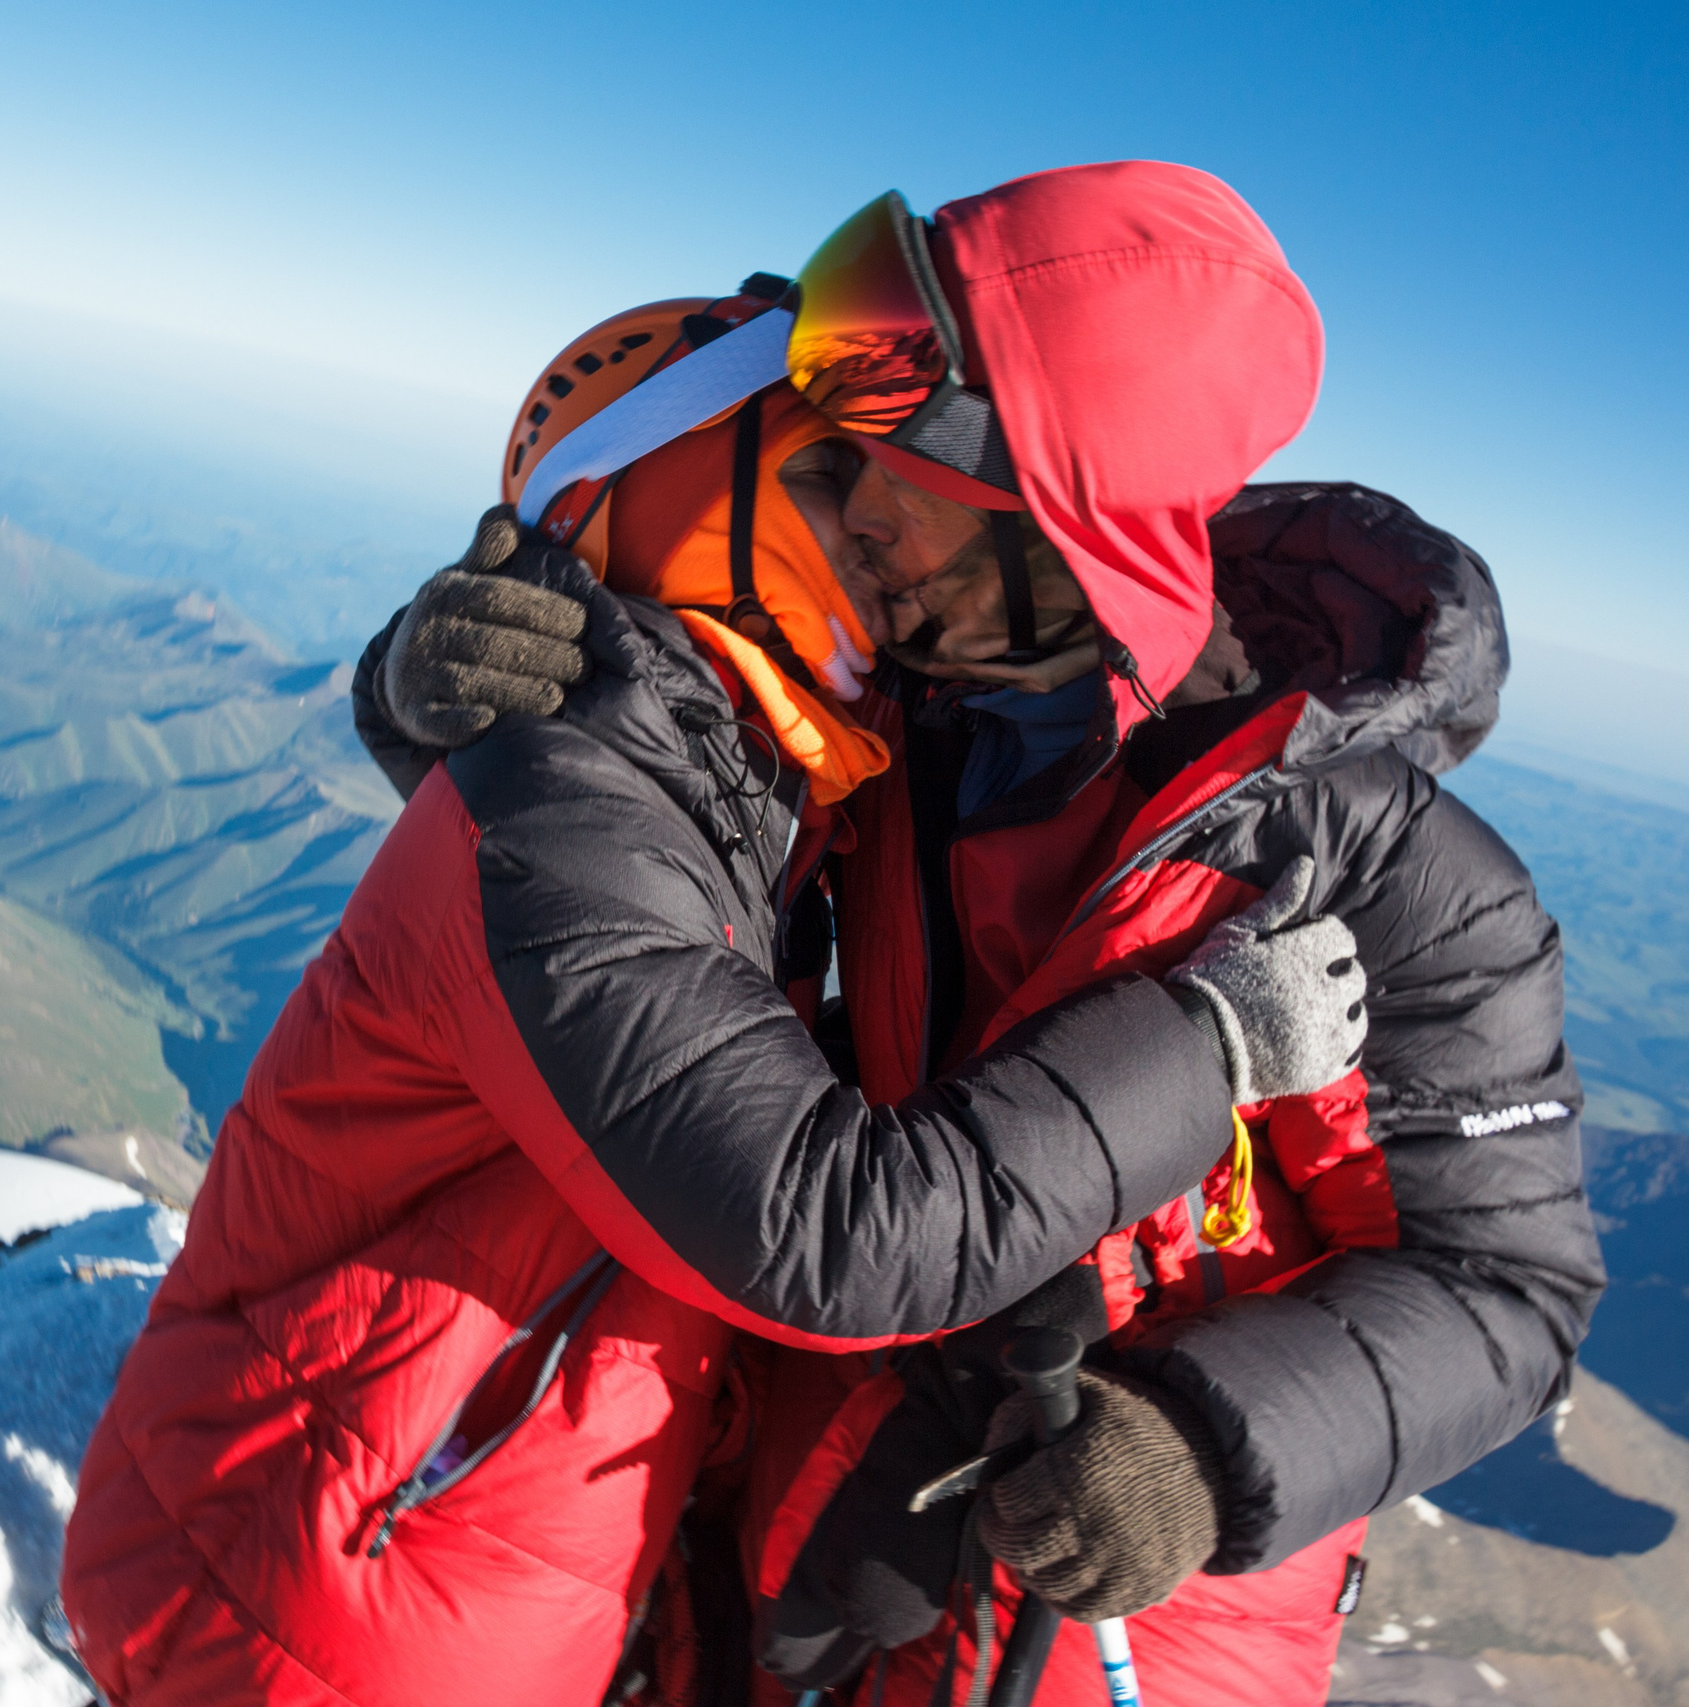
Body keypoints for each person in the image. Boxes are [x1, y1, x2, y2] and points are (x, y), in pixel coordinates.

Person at [365, 161, 1606, 1706]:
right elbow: (650, 893)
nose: (853, 508)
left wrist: (1212, 1447)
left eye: (914, 470)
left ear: (1069, 524)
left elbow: (1511, 1289)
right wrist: (442, 705)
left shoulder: (1404, 885)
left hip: (1132, 1616)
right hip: (824, 1515)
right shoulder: (905, 730)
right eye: (853, 454)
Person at [57, 277, 1369, 1707]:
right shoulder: (577, 797)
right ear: (689, 489)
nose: (886, 529)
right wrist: (1212, 1041)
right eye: (832, 476)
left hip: (419, 1549)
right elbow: (821, 1229)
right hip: (308, 1594)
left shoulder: (774, 797)